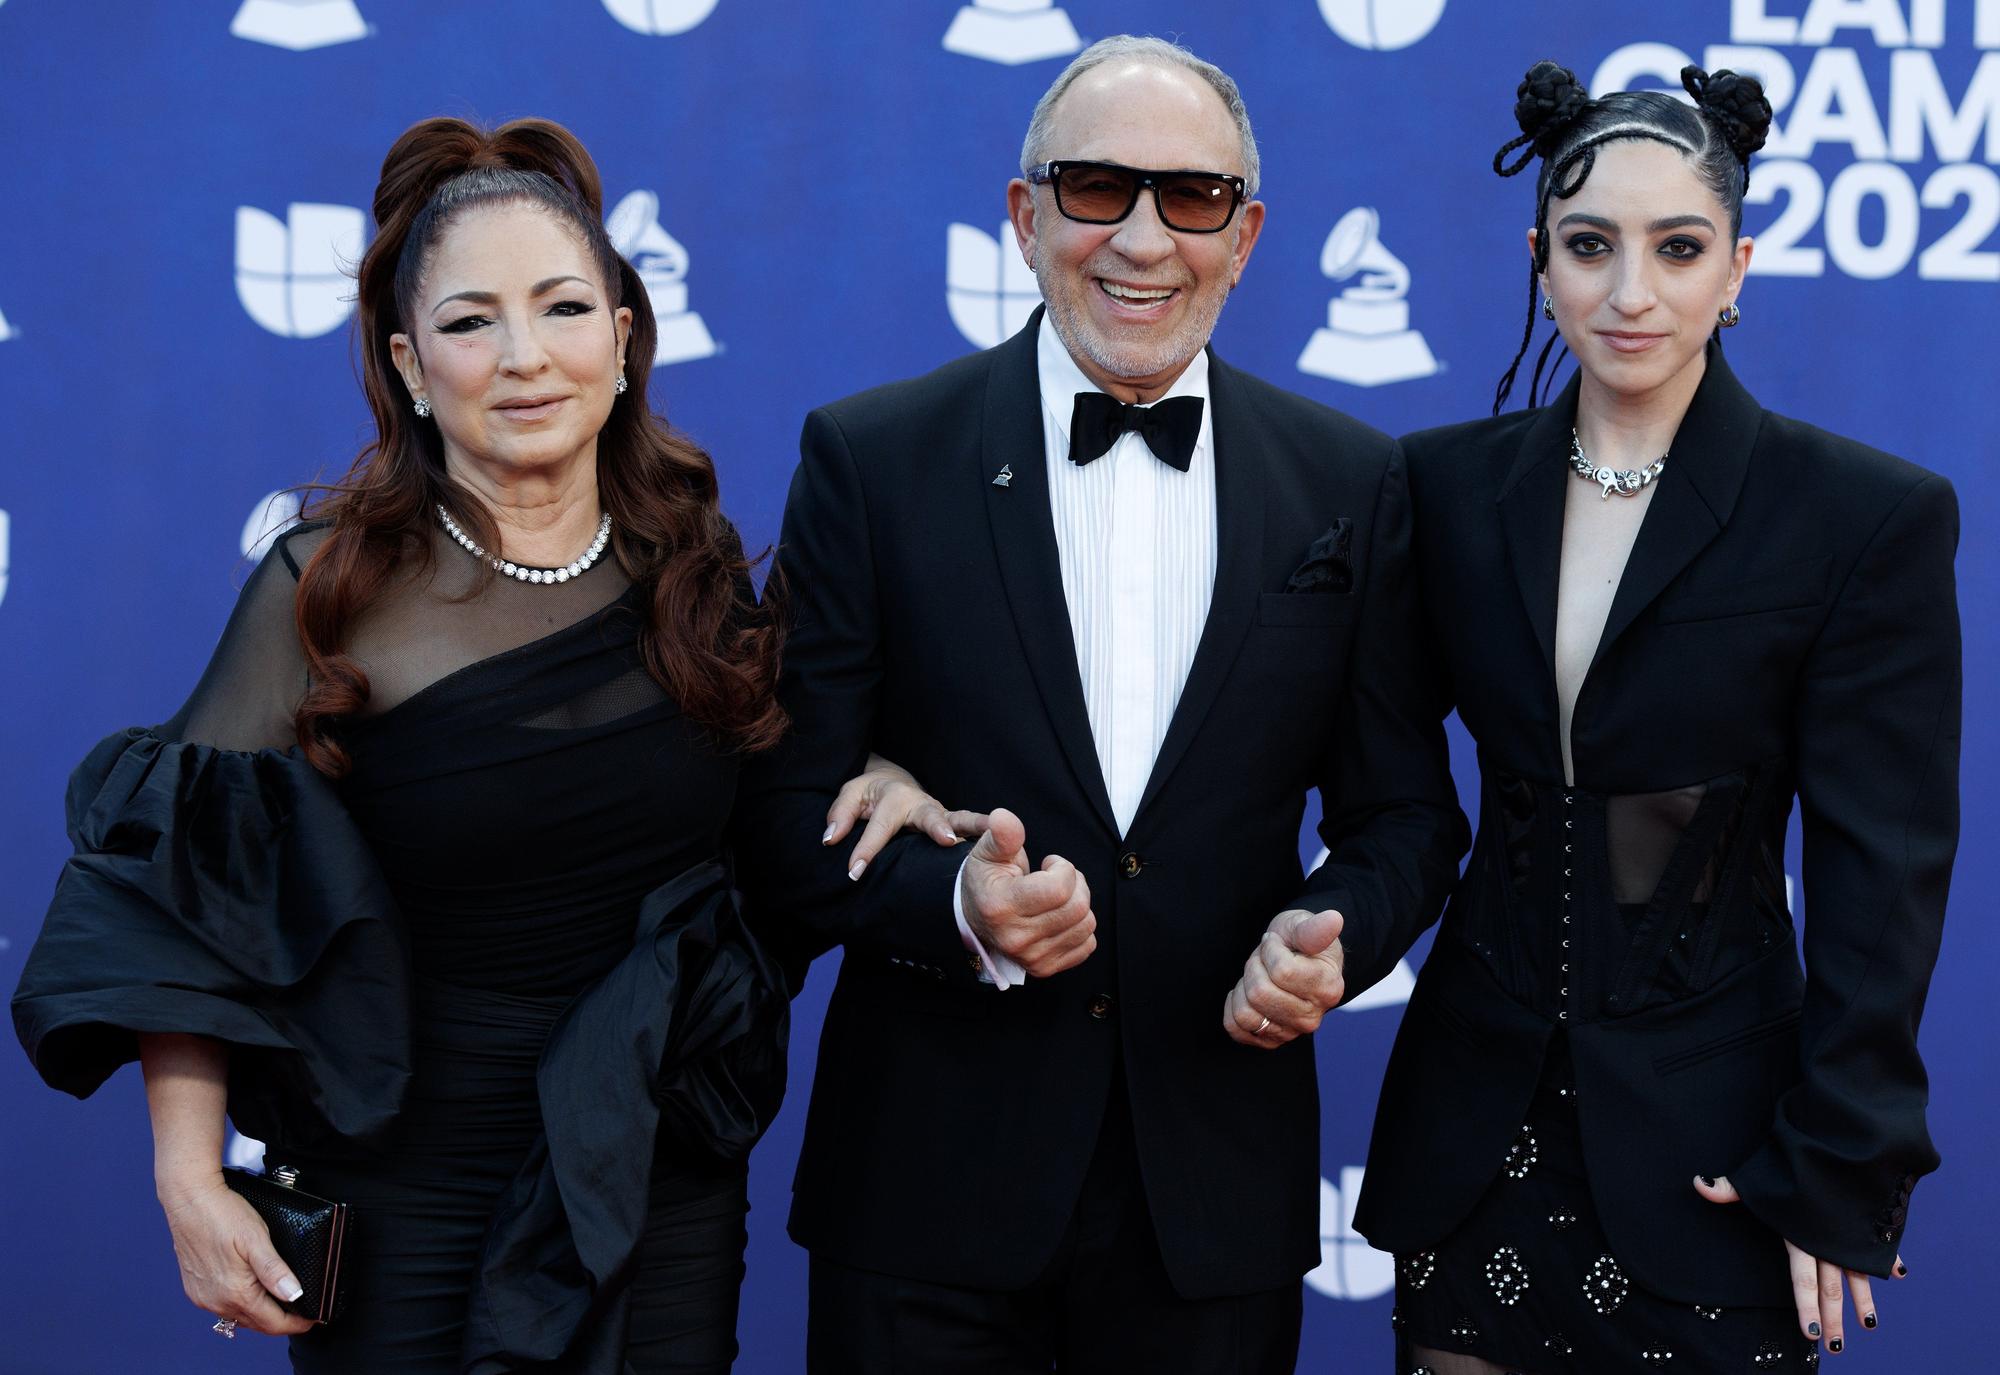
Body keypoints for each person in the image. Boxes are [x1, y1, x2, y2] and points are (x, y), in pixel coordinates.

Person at [10, 116, 957, 1374]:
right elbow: (176, 905)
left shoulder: (697, 578)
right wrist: (190, 1178)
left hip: (649, 1175)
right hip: (400, 1180)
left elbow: (778, 813)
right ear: (408, 363)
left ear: (623, 339)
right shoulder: (324, 593)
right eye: (469, 323)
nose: (524, 358)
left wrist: (875, 767)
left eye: (563, 309)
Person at [756, 35, 1466, 1373]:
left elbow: (1406, 815)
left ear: (1245, 237)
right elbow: (785, 808)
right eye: (1095, 189)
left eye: (1190, 198)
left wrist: (1338, 931)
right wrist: (953, 902)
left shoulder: (1349, 480)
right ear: (1025, 218)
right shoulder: (873, 458)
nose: (1142, 237)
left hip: (1213, 1197)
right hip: (926, 1193)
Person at [1352, 62, 1960, 1373]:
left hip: (1722, 1149)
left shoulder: (1859, 515)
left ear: (1737, 267)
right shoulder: (1441, 489)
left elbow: (1883, 871)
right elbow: (1397, 799)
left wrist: (1845, 1150)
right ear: (1540, 260)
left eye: (1678, 248)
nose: (1632, 293)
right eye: (1590, 246)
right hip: (1475, 1133)